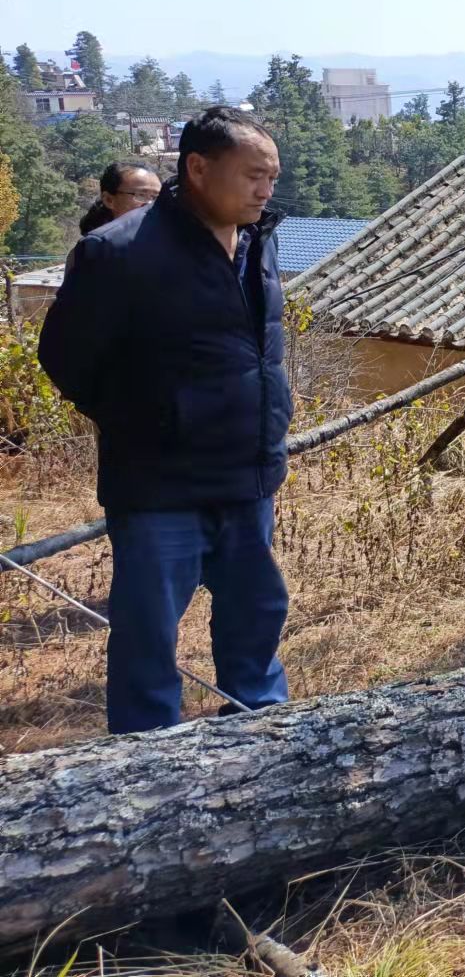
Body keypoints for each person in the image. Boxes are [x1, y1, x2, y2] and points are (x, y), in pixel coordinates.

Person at [39, 107, 293, 734]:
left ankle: (261, 734)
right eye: (254, 175)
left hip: (248, 473)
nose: (266, 190)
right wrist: (154, 421)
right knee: (148, 634)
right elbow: (66, 359)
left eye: (272, 177)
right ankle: (145, 756)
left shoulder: (258, 240)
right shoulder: (119, 252)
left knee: (256, 614)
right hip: (160, 484)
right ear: (198, 168)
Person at [78, 162, 161, 236]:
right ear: (109, 200)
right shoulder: (95, 245)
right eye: (141, 195)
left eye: (155, 197)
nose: (150, 204)